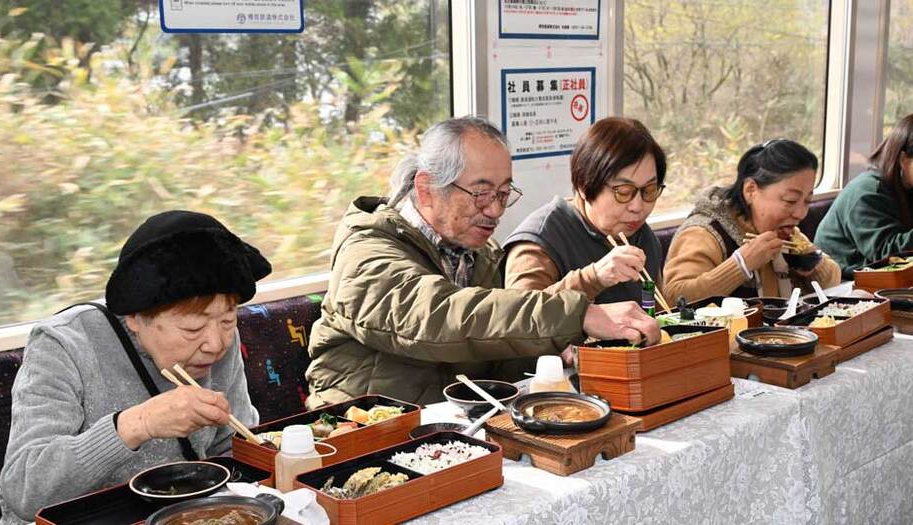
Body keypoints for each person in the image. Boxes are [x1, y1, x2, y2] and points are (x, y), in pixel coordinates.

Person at [305, 116, 660, 407]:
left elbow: (504, 344)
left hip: (458, 429)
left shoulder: (482, 255)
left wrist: (562, 344)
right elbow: (437, 316)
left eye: (504, 194)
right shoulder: (367, 249)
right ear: (427, 188)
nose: (494, 210)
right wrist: (578, 313)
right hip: (363, 430)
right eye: (480, 194)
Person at [0, 210, 272, 524]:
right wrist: (138, 423)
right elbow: (24, 490)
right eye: (192, 329)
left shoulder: (220, 339)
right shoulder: (64, 344)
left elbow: (235, 446)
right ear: (134, 317)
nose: (214, 343)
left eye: (228, 319)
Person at [504, 117, 666, 305]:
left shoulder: (643, 235)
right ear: (584, 185)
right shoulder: (539, 241)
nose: (637, 207)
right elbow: (519, 317)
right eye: (623, 192)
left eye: (649, 190)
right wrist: (593, 278)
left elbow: (657, 312)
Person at [663, 139, 840, 305]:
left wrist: (811, 266)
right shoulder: (705, 232)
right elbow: (674, 298)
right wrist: (740, 265)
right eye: (790, 200)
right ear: (750, 190)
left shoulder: (788, 233)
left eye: (807, 201)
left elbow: (833, 279)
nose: (801, 213)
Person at [815, 113, 913, 275]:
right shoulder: (868, 191)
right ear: (903, 160)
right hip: (843, 281)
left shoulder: (906, 187)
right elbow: (887, 253)